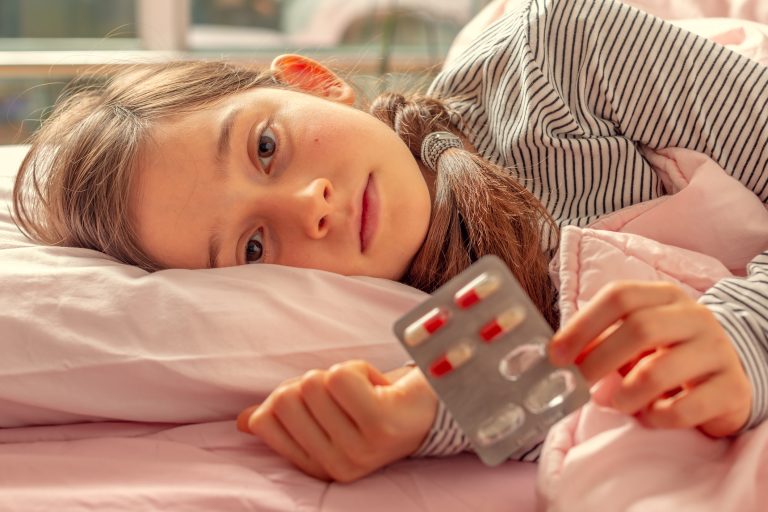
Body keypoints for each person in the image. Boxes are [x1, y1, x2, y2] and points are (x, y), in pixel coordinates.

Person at [12, 0, 767, 484]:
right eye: (251, 247)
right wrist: (419, 415)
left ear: (311, 80)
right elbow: (559, 364)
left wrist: (739, 342)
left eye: (266, 147)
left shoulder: (554, 56)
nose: (309, 206)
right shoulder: (401, 318)